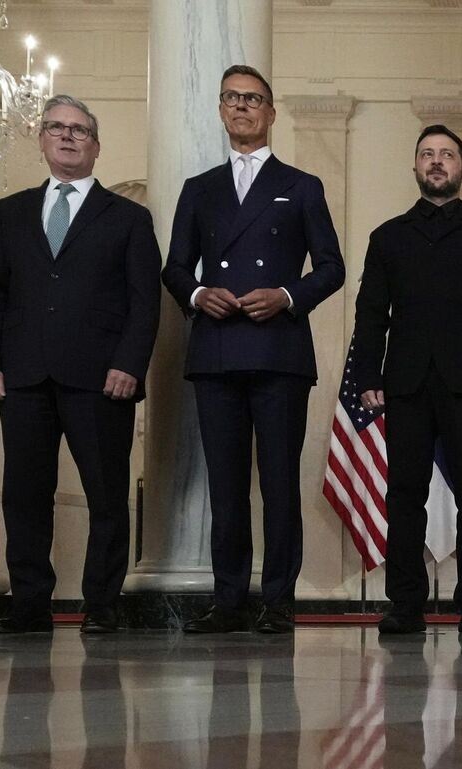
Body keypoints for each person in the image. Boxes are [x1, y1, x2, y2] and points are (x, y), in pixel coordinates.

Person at [160, 64, 346, 634]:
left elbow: (333, 268)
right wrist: (196, 293)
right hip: (217, 348)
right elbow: (173, 267)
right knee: (226, 482)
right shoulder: (199, 189)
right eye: (233, 98)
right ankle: (229, 599)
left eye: (254, 99)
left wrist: (288, 294)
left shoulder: (302, 185)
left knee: (280, 480)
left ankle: (278, 599)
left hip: (279, 352)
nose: (243, 107)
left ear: (270, 113)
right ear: (221, 110)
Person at [0, 95, 161, 635]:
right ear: (42, 140)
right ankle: (30, 604)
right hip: (23, 375)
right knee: (24, 496)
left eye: (80, 130)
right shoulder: (9, 214)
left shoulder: (129, 217)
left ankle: (101, 606)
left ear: (96, 146)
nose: (68, 136)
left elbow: (144, 301)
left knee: (106, 496)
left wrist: (130, 363)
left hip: (102, 378)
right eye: (57, 127)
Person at [350, 125, 462, 635]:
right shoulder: (388, 237)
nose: (436, 161)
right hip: (404, 383)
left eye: (447, 154)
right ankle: (405, 604)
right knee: (404, 495)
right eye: (427, 153)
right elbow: (370, 314)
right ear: (416, 167)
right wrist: (367, 374)